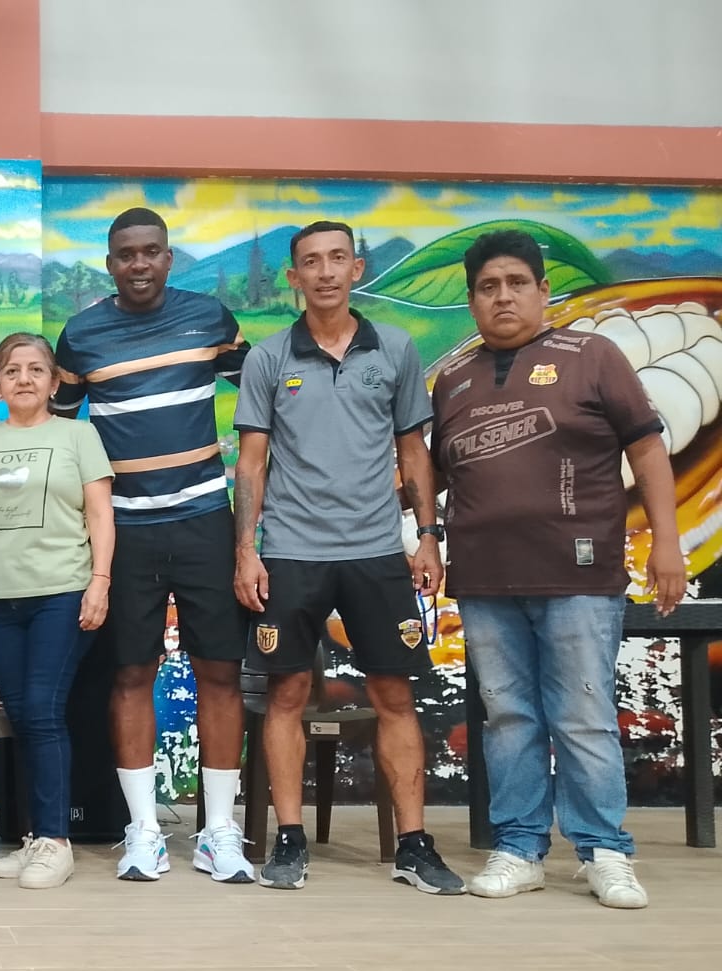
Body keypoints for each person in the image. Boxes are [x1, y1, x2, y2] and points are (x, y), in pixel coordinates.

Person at [432, 229, 683, 909]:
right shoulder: (453, 378)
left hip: (579, 575)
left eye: (517, 283)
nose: (503, 297)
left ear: (544, 291)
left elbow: (648, 450)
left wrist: (667, 543)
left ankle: (604, 851)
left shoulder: (593, 356)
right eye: (488, 287)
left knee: (582, 715)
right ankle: (519, 849)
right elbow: (435, 474)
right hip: (484, 579)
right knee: (508, 717)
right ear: (472, 300)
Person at [233, 220, 465, 894]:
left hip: (375, 550)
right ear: (294, 277)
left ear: (357, 269)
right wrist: (246, 550)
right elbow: (251, 464)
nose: (326, 271)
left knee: (394, 694)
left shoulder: (394, 348)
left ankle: (414, 846)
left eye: (338, 258)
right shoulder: (268, 358)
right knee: (286, 694)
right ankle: (289, 841)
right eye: (312, 261)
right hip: (291, 552)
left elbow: (413, 450)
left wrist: (428, 535)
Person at [53, 207, 251, 883]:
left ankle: (218, 831)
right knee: (132, 674)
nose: (138, 263)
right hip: (126, 532)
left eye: (150, 251)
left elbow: (262, 398)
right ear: (110, 264)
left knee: (218, 672)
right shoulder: (81, 336)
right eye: (125, 254)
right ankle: (143, 832)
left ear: (169, 258)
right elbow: (61, 434)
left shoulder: (211, 318)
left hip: (205, 521)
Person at [0, 333, 115, 889]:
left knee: (43, 710)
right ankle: (35, 838)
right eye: (12, 370)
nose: (24, 378)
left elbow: (100, 514)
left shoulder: (78, 435)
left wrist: (99, 582)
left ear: (54, 382)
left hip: (62, 592)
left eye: (36, 369)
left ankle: (54, 841)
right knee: (21, 715)